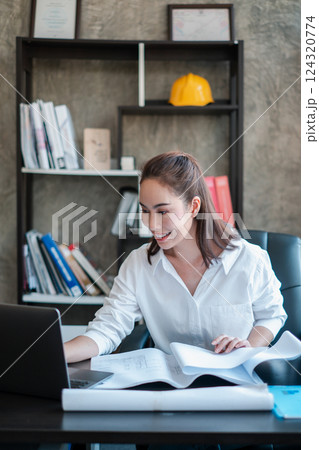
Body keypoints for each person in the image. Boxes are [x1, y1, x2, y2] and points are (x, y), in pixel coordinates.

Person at [64, 151, 287, 363]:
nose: (151, 225)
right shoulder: (138, 264)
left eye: (163, 212)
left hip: (234, 382)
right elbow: (108, 328)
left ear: (194, 206)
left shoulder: (248, 259)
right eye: (145, 211)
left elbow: (271, 316)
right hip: (169, 387)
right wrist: (58, 352)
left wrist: (248, 346)